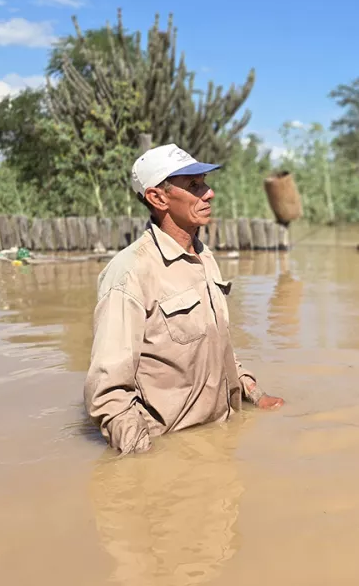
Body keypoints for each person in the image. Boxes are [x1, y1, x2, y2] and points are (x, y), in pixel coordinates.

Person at [83, 143, 284, 455]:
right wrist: (146, 465)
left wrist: (255, 393)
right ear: (158, 198)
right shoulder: (130, 273)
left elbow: (216, 345)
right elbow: (109, 393)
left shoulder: (204, 256)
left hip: (223, 445)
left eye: (204, 182)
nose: (209, 193)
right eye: (193, 185)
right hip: (173, 449)